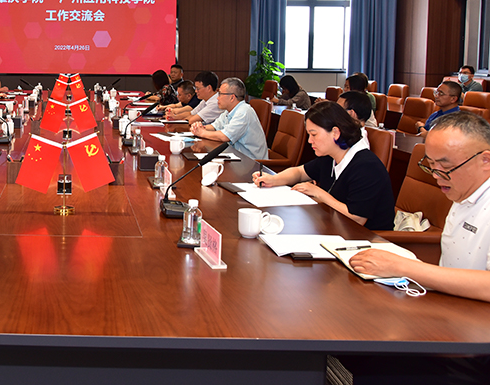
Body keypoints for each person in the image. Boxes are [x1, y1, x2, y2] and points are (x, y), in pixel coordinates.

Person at [350, 112, 490, 300]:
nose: (436, 175)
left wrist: (403, 267)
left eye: (446, 167)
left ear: (485, 160)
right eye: (431, 164)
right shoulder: (463, 192)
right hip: (451, 302)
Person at [253, 102, 394, 230]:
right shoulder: (330, 156)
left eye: (313, 134)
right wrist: (273, 179)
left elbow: (356, 218)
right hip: (334, 227)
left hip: (368, 239)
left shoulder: (366, 167)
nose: (309, 141)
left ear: (335, 133)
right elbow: (300, 172)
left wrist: (318, 192)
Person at [192, 77, 268, 160]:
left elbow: (225, 136)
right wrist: (199, 127)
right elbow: (215, 126)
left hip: (251, 162)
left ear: (232, 97)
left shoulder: (243, 111)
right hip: (236, 157)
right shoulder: (228, 111)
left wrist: (202, 133)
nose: (217, 98)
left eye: (220, 94)